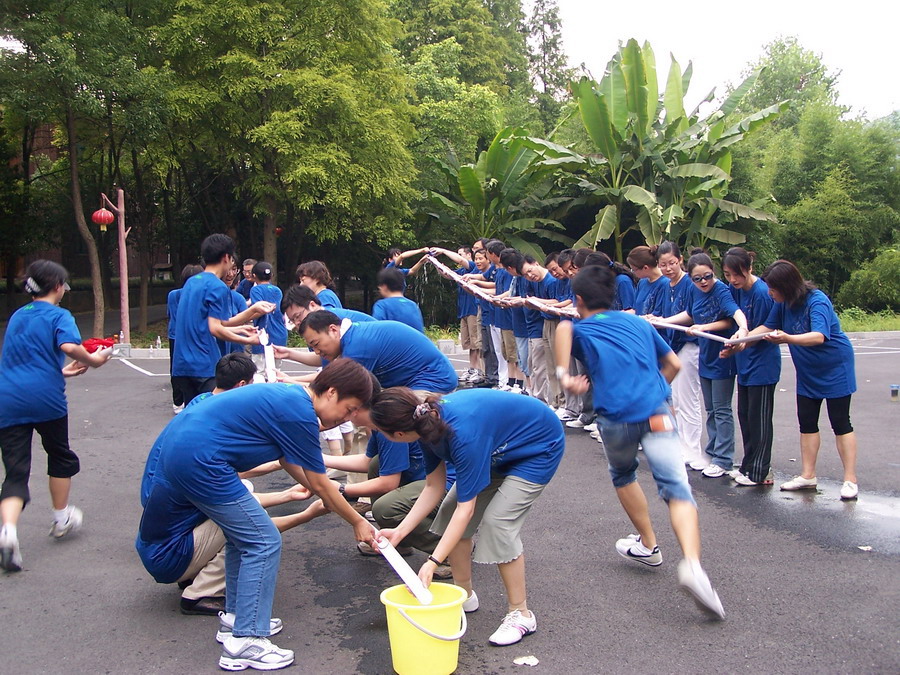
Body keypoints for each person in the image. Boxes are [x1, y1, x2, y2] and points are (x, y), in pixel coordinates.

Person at [142, 358, 378, 671]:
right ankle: (247, 640)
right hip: (202, 461)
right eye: (350, 409)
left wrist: (313, 488)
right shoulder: (301, 412)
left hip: (187, 452)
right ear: (332, 392)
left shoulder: (290, 401)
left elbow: (290, 462)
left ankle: (238, 619)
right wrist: (358, 521)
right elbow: (322, 482)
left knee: (243, 537)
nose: (348, 418)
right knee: (263, 540)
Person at [555, 265, 725, 620]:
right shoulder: (640, 324)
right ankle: (692, 565)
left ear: (580, 300)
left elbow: (562, 328)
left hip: (615, 419)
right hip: (657, 412)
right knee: (677, 490)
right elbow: (674, 364)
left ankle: (648, 543)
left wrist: (564, 376)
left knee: (623, 473)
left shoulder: (579, 327)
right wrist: (658, 391)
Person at [371, 387, 565, 646]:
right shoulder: (425, 426)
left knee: (499, 523)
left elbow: (468, 510)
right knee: (449, 511)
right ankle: (463, 595)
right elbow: (433, 487)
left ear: (398, 434)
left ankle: (521, 613)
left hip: (537, 447)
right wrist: (400, 531)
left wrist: (432, 561)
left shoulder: (460, 434)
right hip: (497, 448)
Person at [137, 352, 314, 616]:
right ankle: (202, 594)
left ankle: (195, 573)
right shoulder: (207, 445)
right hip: (166, 551)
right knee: (248, 524)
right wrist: (307, 512)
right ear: (242, 386)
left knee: (243, 501)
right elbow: (251, 519)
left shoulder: (201, 405)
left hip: (159, 520)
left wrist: (288, 491)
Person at [0, 260, 113, 572]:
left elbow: (25, 360)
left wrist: (61, 371)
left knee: (15, 472)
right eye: (64, 284)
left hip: (8, 399)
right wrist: (94, 359)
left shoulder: (17, 317)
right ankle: (61, 517)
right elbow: (67, 344)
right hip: (46, 400)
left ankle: (8, 531)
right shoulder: (59, 315)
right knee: (59, 456)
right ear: (56, 287)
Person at [745, 260, 858, 499]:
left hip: (835, 366)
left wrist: (788, 338)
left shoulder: (817, 301)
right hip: (808, 371)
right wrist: (741, 339)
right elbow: (766, 326)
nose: (770, 293)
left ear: (786, 286)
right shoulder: (782, 303)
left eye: (773, 289)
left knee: (840, 421)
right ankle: (808, 475)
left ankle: (850, 479)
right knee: (806, 421)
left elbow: (818, 336)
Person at [659, 250, 748, 476]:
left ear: (713, 272)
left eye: (707, 276)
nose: (703, 282)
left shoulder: (721, 290)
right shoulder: (695, 291)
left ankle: (724, 458)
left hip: (722, 357)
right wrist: (662, 321)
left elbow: (733, 315)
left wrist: (742, 329)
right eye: (697, 279)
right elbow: (690, 314)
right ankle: (711, 453)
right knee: (710, 409)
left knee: (721, 409)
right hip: (706, 355)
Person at [172, 234, 274, 404]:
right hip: (203, 364)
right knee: (214, 416)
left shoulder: (192, 282)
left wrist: (248, 317)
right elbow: (215, 328)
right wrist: (248, 339)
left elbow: (218, 322)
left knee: (194, 415)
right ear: (226, 258)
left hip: (182, 365)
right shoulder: (217, 286)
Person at [278, 310, 458, 396]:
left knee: (393, 416)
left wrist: (292, 382)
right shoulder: (350, 336)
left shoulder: (358, 346)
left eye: (316, 344)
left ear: (333, 330)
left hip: (432, 380)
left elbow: (336, 387)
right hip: (411, 381)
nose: (317, 352)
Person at [719, 248, 781, 486]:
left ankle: (760, 471)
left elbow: (768, 326)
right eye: (727, 274)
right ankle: (748, 465)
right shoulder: (736, 292)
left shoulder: (763, 292)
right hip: (744, 363)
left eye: (738, 274)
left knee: (760, 419)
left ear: (749, 269)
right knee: (745, 416)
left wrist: (741, 339)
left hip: (763, 365)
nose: (733, 280)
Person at [655, 241, 703, 467]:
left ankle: (693, 449)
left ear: (681, 260)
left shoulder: (690, 283)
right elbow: (665, 312)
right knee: (677, 399)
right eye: (662, 264)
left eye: (672, 263)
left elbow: (691, 314)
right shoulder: (666, 285)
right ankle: (681, 445)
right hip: (672, 345)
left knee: (688, 400)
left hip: (690, 345)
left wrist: (664, 321)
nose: (667, 269)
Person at [429, 246, 482, 383]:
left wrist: (444, 250)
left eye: (460, 254)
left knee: (476, 343)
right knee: (469, 343)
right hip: (463, 311)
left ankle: (480, 370)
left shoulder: (472, 267)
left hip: (473, 310)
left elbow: (460, 260)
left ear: (468, 254)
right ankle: (472, 369)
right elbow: (447, 275)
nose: (458, 257)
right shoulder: (462, 271)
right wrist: (437, 264)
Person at [168, 264, 203, 414]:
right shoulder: (198, 295)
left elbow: (170, 314)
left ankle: (177, 401)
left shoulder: (173, 294)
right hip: (191, 334)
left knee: (176, 367)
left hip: (174, 333)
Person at [281, 284, 374, 329]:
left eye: (297, 316)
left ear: (312, 305)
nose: (297, 323)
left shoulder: (330, 321)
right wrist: (288, 354)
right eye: (292, 320)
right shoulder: (313, 325)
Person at [249, 261, 288, 355]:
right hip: (279, 332)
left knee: (260, 368)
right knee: (275, 367)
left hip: (263, 334)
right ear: (272, 275)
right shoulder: (277, 290)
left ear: (254, 275)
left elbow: (259, 310)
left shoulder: (255, 290)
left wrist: (243, 317)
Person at [372, 268, 426, 333]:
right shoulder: (413, 305)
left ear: (384, 286)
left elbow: (376, 331)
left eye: (380, 285)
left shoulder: (382, 305)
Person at [627, 245, 667, 316]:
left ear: (645, 268)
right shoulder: (642, 282)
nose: (633, 272)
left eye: (634, 269)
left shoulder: (664, 284)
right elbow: (635, 309)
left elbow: (658, 313)